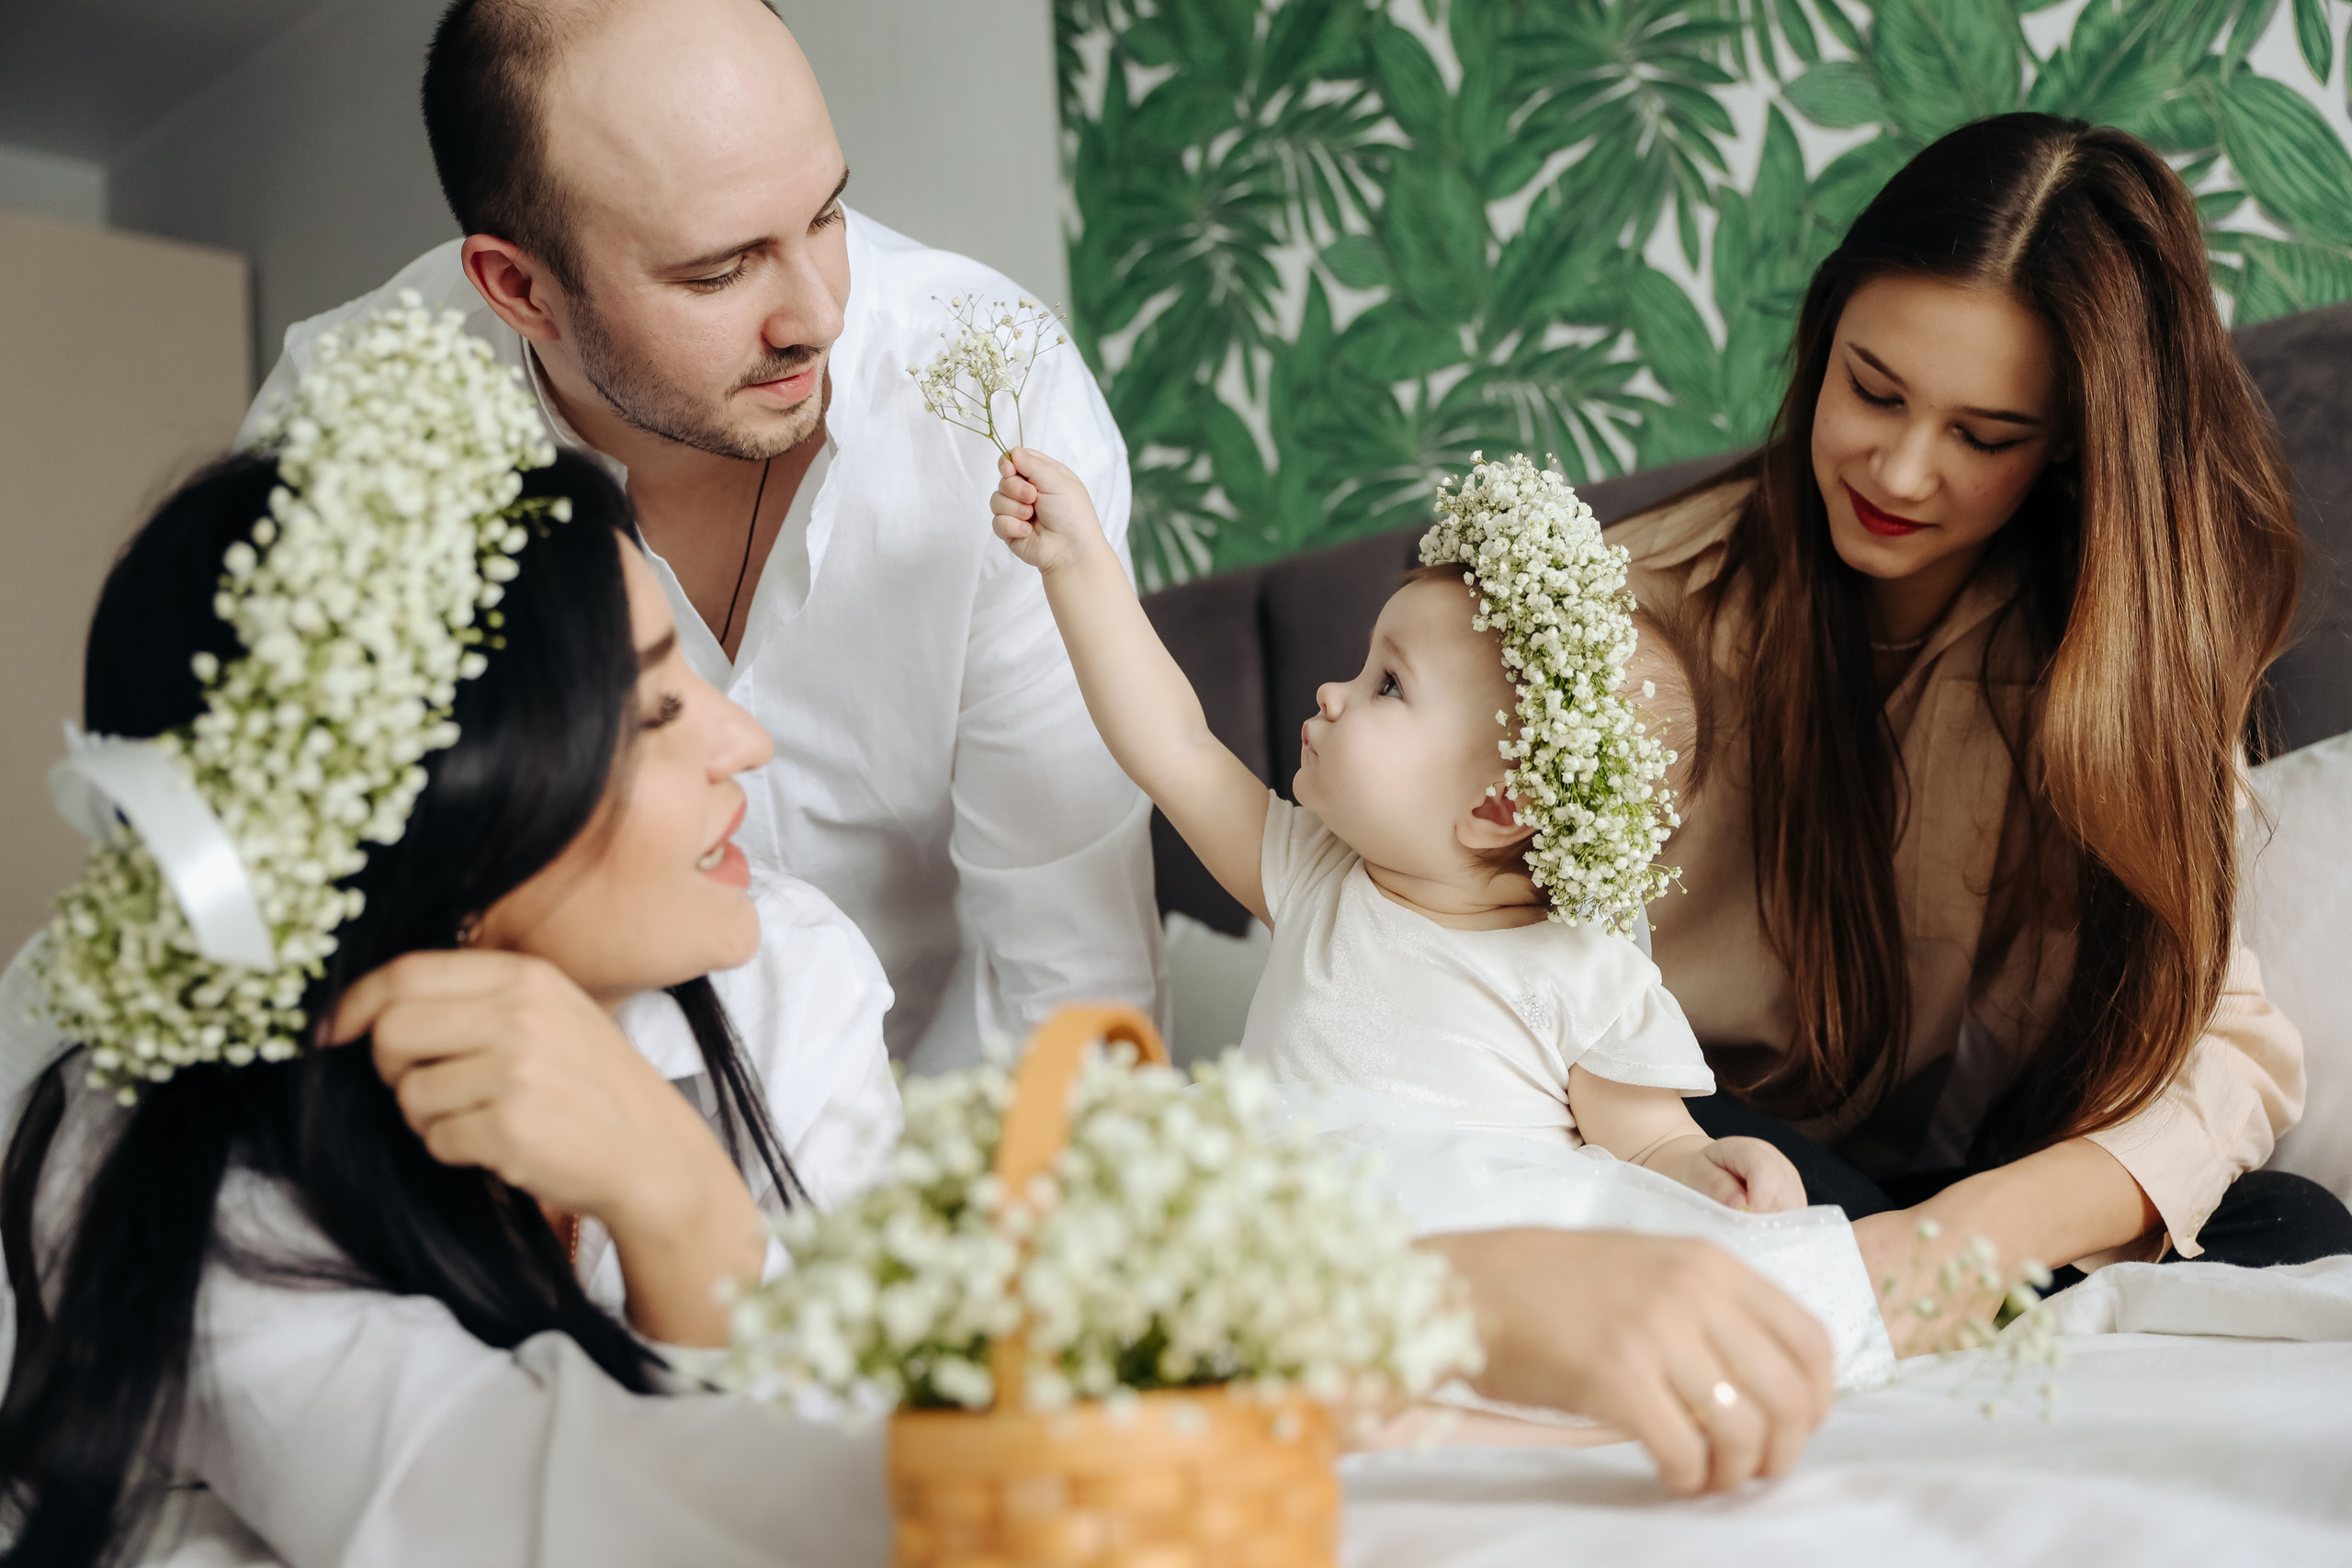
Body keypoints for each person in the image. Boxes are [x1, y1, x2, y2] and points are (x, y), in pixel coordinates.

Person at [0, 302, 901, 1564]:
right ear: (453, 819)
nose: (742, 741)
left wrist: (685, 1203)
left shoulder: (790, 977)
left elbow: (910, 1477)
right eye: (649, 712)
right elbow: (536, 1530)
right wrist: (681, 1209)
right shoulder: (161, 1147)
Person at [242, 0, 1162, 1070]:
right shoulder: (343, 435)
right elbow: (311, 913)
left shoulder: (995, 390)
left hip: (931, 1126)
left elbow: (1069, 967)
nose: (818, 316)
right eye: (719, 271)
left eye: (828, 216)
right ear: (518, 287)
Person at [1611, 113, 2352, 1311]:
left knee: (2294, 1225)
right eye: (1874, 390)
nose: (1900, 472)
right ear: (1824, 337)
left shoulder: (2116, 641)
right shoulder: (1634, 604)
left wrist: (1955, 1234)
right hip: (1709, 1152)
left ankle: (1902, 1297)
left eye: (1982, 435)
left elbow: (2223, 1052)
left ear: (2068, 446)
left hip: (1954, 1188)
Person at [984, 446, 1805, 1214]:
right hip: (1290, 1269)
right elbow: (1177, 745)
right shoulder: (1315, 877)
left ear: (1497, 808)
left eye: (1385, 684)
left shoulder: (1585, 976)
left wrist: (1715, 1172)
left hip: (1473, 1293)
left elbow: (1655, 1145)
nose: (1331, 691)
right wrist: (1078, 560)